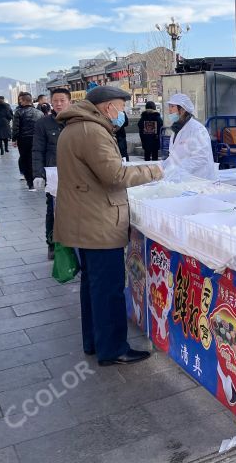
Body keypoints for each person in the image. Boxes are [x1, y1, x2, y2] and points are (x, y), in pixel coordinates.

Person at [54, 86, 163, 366]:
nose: (122, 113)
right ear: (106, 108)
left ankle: (95, 341)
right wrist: (155, 170)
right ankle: (113, 349)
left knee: (94, 287)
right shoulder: (92, 131)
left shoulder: (75, 127)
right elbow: (114, 175)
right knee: (109, 288)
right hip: (98, 222)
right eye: (120, 107)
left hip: (85, 219)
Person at [32, 88, 71, 261]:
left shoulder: (77, 121)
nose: (59, 104)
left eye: (62, 100)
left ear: (69, 101)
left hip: (77, 174)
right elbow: (37, 149)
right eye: (55, 101)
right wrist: (38, 174)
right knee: (52, 210)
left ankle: (74, 244)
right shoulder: (43, 123)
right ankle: (52, 244)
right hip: (53, 173)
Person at [163, 93, 215, 180]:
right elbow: (174, 157)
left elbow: (201, 158)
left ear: (182, 110)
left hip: (200, 180)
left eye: (172, 107)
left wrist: (177, 170)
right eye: (169, 107)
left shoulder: (197, 129)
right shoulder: (176, 130)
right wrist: (162, 167)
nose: (169, 110)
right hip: (184, 180)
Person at [12, 92, 43, 190]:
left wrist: (14, 139)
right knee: (36, 158)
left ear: (25, 101)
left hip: (23, 139)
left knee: (25, 159)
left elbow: (15, 127)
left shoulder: (18, 112)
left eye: (21, 100)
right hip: (37, 139)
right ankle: (37, 177)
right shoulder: (40, 113)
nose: (20, 102)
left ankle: (30, 183)